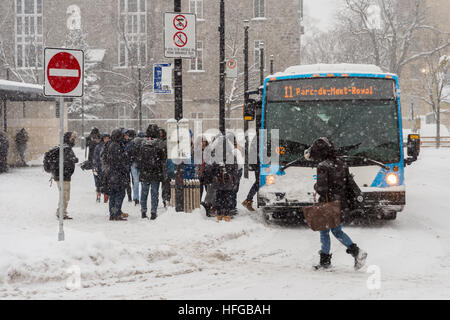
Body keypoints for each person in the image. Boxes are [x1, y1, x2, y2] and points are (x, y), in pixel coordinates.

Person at [304, 137, 368, 270]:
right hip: (341, 203)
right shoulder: (342, 163)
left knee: (324, 232)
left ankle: (326, 262)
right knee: (337, 231)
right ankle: (356, 252)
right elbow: (347, 183)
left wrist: (316, 186)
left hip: (328, 204)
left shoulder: (322, 166)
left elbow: (322, 189)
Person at [138, 124, 166, 220]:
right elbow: (163, 157)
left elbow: (139, 157)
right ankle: (153, 212)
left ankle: (143, 211)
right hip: (155, 172)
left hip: (145, 172)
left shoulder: (142, 143)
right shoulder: (159, 143)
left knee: (144, 192)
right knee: (154, 193)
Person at [52, 132, 79, 220]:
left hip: (61, 175)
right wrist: (74, 159)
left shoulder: (63, 147)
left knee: (63, 195)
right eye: (72, 138)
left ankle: (61, 212)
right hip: (63, 176)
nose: (74, 140)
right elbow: (66, 161)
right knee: (65, 196)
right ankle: (61, 213)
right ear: (68, 138)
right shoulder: (66, 148)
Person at [106, 129, 129, 221]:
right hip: (118, 174)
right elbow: (120, 161)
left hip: (112, 174)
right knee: (120, 194)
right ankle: (116, 213)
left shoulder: (111, 145)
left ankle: (112, 213)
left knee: (113, 195)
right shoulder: (117, 146)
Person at [127, 131, 146, 206]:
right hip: (141, 165)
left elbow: (127, 153)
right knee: (143, 182)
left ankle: (136, 198)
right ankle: (141, 198)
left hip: (134, 164)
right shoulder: (144, 144)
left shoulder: (132, 144)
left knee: (136, 182)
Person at [242, 134, 258, 212]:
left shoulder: (258, 137)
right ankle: (248, 200)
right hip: (259, 164)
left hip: (258, 164)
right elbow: (253, 152)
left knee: (259, 183)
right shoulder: (259, 137)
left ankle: (248, 200)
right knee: (259, 183)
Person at [93, 133, 110, 202]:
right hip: (99, 167)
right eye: (105, 138)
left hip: (106, 168)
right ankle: (98, 196)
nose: (107, 139)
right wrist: (95, 167)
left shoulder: (110, 145)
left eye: (108, 138)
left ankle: (106, 197)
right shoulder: (98, 147)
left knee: (106, 183)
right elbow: (95, 157)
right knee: (98, 183)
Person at [159, 128, 171, 207]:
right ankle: (165, 198)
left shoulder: (163, 142)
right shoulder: (162, 142)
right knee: (165, 182)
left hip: (164, 164)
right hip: (162, 164)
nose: (160, 134)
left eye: (161, 133)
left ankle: (166, 198)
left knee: (166, 182)